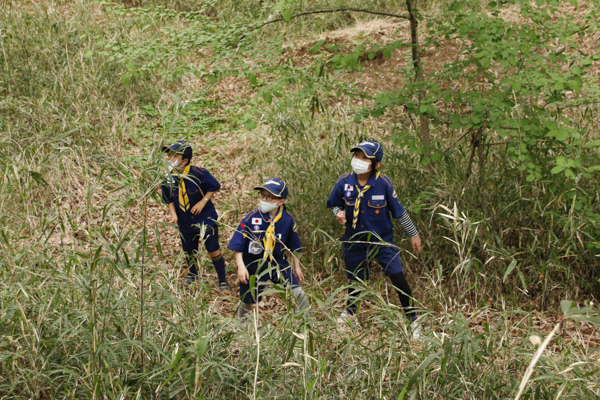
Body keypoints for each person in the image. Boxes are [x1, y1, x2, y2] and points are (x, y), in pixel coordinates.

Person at [326, 140, 423, 339]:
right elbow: (335, 205)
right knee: (355, 279)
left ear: (376, 164)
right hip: (355, 241)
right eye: (356, 155)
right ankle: (351, 312)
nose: (358, 160)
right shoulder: (344, 182)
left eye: (364, 157)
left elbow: (399, 213)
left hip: (382, 241)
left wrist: (414, 234)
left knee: (398, 278)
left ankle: (412, 319)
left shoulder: (383, 183)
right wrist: (339, 213)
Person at [228, 178, 310, 323]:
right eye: (262, 195)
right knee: (248, 299)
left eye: (269, 197)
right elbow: (237, 243)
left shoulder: (287, 220)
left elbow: (293, 246)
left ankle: (308, 323)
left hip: (278, 264)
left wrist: (297, 267)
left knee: (298, 293)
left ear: (281, 202)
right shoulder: (252, 218)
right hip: (254, 266)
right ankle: (241, 326)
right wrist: (241, 267)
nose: (264, 199)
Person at [161, 140, 230, 290]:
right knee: (189, 248)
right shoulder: (168, 177)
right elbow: (168, 198)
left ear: (185, 160)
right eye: (169, 155)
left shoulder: (198, 173)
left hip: (205, 218)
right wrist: (173, 214)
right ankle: (192, 273)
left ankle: (222, 279)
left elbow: (214, 186)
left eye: (174, 156)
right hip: (185, 221)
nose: (170, 158)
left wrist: (203, 202)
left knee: (213, 248)